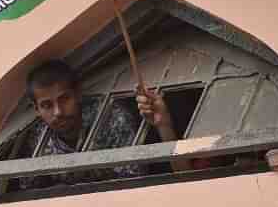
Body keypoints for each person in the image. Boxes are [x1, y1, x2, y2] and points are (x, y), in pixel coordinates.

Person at [16, 60, 182, 190]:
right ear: (36, 109)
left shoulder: (111, 119)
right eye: (47, 105)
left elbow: (133, 182)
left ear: (78, 94)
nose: (58, 111)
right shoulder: (37, 137)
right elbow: (29, 191)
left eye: (64, 99)